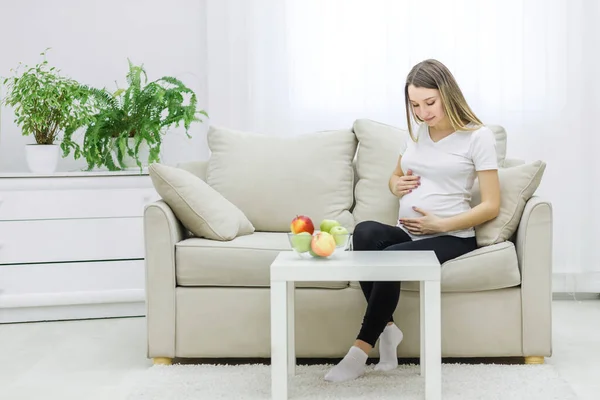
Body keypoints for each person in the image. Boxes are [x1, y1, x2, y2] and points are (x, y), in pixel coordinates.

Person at [324, 59, 501, 382]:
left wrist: (442, 225)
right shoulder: (418, 133)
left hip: (453, 236)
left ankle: (360, 350)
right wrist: (396, 184)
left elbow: (491, 205)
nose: (423, 113)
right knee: (363, 233)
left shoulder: (479, 137)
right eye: (415, 105)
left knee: (391, 258)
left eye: (429, 103)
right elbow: (394, 177)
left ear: (448, 94)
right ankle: (389, 330)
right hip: (409, 232)